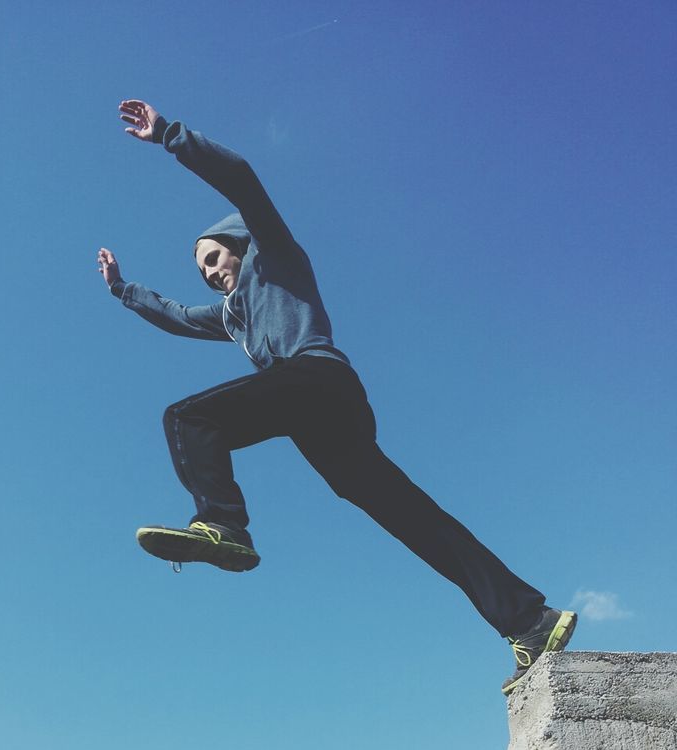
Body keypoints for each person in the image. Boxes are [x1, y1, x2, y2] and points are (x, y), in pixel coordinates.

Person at [98, 99, 575, 694]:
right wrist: (124, 292)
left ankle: (223, 524)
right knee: (414, 521)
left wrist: (171, 136)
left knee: (188, 418)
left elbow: (245, 183)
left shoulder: (275, 253)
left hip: (319, 380)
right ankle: (530, 620)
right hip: (321, 425)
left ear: (238, 244)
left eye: (215, 259)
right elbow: (174, 317)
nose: (213, 274)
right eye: (204, 273)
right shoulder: (232, 316)